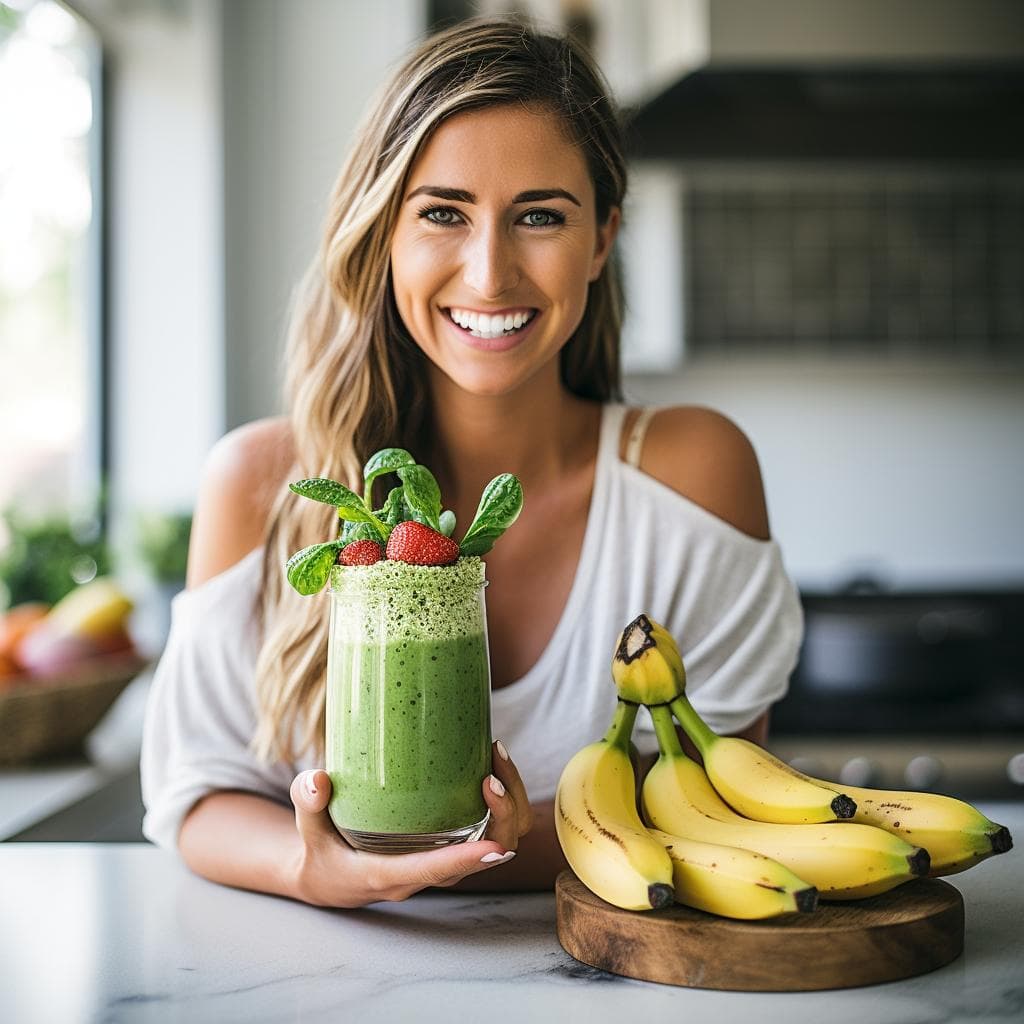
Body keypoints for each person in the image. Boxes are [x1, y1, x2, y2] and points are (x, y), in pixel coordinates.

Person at [140, 16, 803, 908]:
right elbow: (195, 792)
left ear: (602, 240)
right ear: (381, 234)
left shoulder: (691, 477)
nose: (490, 275)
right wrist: (315, 867)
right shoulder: (261, 487)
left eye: (538, 216)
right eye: (443, 213)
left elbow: (715, 801)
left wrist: (471, 856)